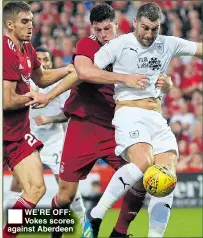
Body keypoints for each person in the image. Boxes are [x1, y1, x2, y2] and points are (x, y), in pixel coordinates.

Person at [26, 4, 173, 238]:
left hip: (116, 127)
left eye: (107, 28)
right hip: (83, 126)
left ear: (116, 24)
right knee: (65, 195)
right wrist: (48, 96)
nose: (104, 35)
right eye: (98, 30)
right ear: (92, 29)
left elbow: (155, 77)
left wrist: (168, 83)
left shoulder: (130, 45)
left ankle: (119, 233)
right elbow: (80, 73)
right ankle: (56, 234)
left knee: (140, 179)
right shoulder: (87, 44)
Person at [84, 2, 202, 238]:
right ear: (135, 22)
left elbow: (199, 48)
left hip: (156, 116)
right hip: (129, 113)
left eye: (154, 29)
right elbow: (88, 70)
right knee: (143, 164)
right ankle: (96, 214)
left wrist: (168, 85)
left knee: (167, 179)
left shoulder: (167, 43)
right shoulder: (120, 44)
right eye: (145, 28)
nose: (149, 34)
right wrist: (123, 78)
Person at [3, 2, 76, 237]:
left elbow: (42, 78)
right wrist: (32, 97)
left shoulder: (27, 49)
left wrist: (69, 69)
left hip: (17, 133)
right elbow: (6, 101)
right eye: (24, 21)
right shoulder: (5, 52)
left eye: (32, 21)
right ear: (10, 24)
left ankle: (7, 234)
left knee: (36, 188)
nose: (30, 26)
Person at [4, 46, 86, 228]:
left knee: (66, 185)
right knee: (18, 183)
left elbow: (70, 113)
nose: (43, 62)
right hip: (28, 139)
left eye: (46, 59)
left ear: (51, 62)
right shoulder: (26, 83)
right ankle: (8, 224)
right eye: (39, 59)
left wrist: (49, 119)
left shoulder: (61, 85)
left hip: (54, 141)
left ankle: (84, 221)